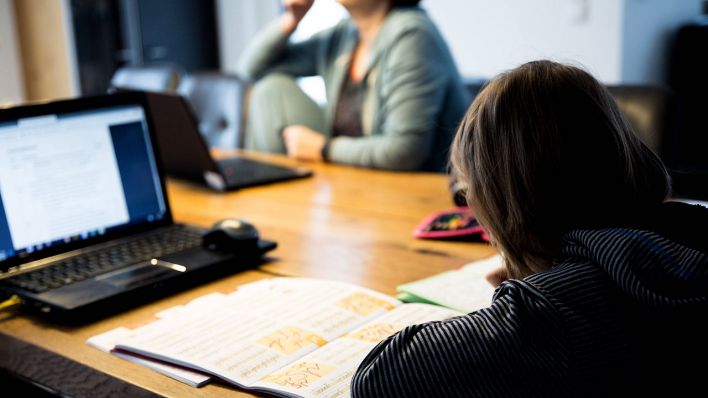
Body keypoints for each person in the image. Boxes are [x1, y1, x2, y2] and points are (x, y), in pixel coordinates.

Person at [350, 60, 708, 397]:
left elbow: (379, 378)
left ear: (506, 199)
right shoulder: (687, 227)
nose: (472, 208)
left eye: (469, 193)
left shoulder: (552, 314)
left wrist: (519, 301)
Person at [236, 0, 469, 171]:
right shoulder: (344, 35)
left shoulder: (412, 36)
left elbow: (405, 152)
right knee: (270, 88)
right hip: (355, 180)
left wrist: (324, 149)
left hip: (416, 191)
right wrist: (292, 19)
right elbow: (252, 70)